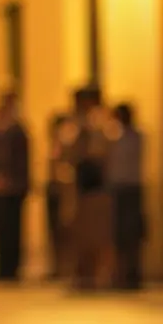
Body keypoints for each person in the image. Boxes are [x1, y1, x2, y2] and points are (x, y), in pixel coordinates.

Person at [63, 87, 114, 291]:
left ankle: (96, 276)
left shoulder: (101, 123)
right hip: (81, 186)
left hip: (97, 186)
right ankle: (82, 275)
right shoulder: (75, 124)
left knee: (96, 234)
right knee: (80, 234)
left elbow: (103, 152)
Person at [0, 91, 30, 282]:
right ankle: (4, 267)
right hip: (2, 186)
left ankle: (11, 268)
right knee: (2, 229)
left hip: (13, 186)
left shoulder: (16, 130)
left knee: (12, 229)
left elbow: (20, 160)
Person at [106, 103, 144, 290]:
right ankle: (120, 274)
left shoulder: (132, 137)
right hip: (119, 188)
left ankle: (131, 274)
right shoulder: (116, 137)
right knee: (119, 234)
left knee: (131, 233)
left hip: (129, 188)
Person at [45, 114, 71, 279]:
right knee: (53, 230)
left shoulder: (65, 145)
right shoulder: (53, 145)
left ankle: (64, 267)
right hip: (53, 188)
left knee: (63, 230)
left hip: (61, 189)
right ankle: (56, 265)